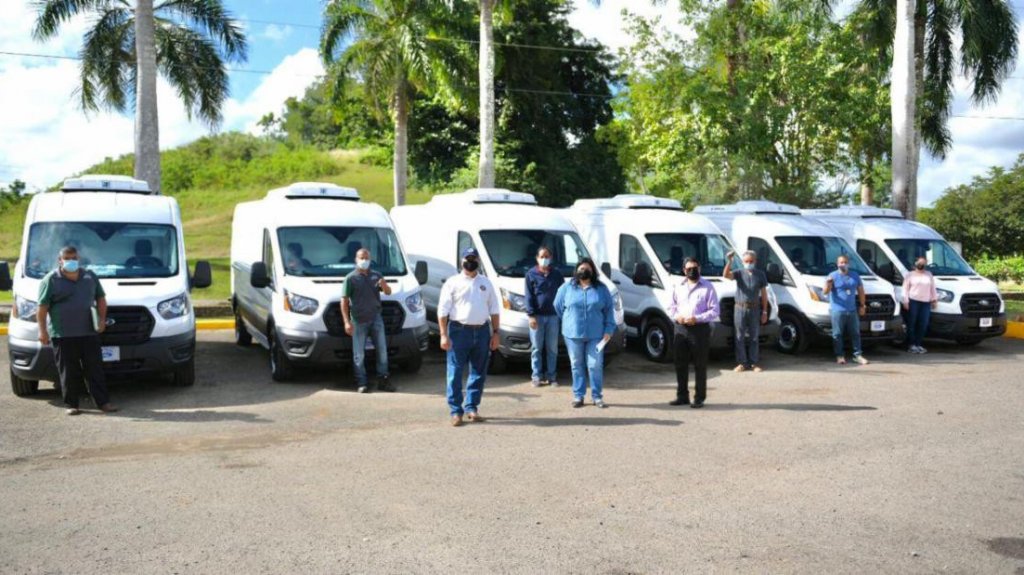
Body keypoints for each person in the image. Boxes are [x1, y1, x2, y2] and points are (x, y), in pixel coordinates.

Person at [36, 246, 118, 415]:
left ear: (78, 258)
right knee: (68, 371)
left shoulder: (89, 276)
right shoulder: (50, 280)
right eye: (66, 258)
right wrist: (42, 331)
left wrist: (102, 320)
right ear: (60, 260)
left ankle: (103, 403)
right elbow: (42, 308)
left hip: (89, 333)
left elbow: (101, 299)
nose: (70, 261)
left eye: (73, 257)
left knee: (95, 370)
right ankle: (72, 404)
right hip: (63, 334)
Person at [438, 248, 501, 427]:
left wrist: (496, 333)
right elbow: (443, 311)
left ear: (478, 261)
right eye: (468, 258)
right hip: (459, 331)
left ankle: (472, 407)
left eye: (474, 258)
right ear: (461, 261)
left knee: (479, 372)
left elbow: (494, 309)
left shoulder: (486, 283)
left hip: (481, 331)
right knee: (455, 372)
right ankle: (456, 411)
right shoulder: (452, 283)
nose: (470, 261)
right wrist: (443, 334)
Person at [553, 258, 616, 408]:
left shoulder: (601, 289)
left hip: (597, 335)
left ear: (593, 271)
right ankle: (578, 396)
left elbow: (609, 310)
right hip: (572, 334)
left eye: (587, 269)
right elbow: (557, 306)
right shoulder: (567, 287)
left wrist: (609, 329)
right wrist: (569, 321)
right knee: (576, 364)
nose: (583, 271)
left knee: (595, 365)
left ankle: (597, 396)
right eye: (581, 269)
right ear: (576, 271)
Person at [667, 258, 720, 408]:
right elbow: (671, 307)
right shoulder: (678, 286)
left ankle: (699, 397)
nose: (692, 271)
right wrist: (677, 317)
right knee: (680, 364)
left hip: (699, 330)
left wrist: (696, 319)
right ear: (684, 270)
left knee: (700, 365)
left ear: (699, 268)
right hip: (680, 329)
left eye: (695, 268)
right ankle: (682, 396)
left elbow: (715, 310)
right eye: (689, 268)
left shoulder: (708, 287)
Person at [342, 248, 394, 393]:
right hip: (358, 321)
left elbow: (388, 292)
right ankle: (362, 382)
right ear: (356, 260)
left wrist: (384, 286)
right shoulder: (350, 278)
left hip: (376, 319)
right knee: (359, 354)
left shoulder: (376, 275)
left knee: (382, 352)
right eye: (361, 258)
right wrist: (346, 322)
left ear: (370, 259)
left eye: (366, 258)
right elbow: (344, 301)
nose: (364, 261)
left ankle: (383, 380)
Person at [524, 246, 564, 387]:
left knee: (552, 348)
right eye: (542, 256)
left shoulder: (557, 274)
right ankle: (536, 376)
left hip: (553, 317)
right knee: (536, 348)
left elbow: (562, 294)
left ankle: (551, 376)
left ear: (551, 258)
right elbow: (528, 296)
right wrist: (531, 315)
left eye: (547, 256)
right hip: (537, 317)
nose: (544, 259)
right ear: (537, 258)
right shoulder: (531, 274)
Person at [724, 250, 769, 372]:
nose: (749, 263)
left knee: (754, 336)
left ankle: (753, 363)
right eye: (746, 261)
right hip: (740, 308)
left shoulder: (760, 274)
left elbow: (764, 294)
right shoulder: (739, 273)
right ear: (743, 262)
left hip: (754, 308)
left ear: (755, 261)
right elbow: (726, 275)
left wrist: (765, 311)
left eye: (751, 261)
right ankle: (742, 363)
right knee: (739, 336)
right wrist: (730, 261)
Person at [823, 254, 869, 365]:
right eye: (841, 262)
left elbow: (861, 291)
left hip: (852, 310)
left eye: (845, 262)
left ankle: (857, 356)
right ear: (837, 264)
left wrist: (863, 305)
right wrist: (829, 284)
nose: (843, 264)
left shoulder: (855, 276)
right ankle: (840, 356)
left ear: (848, 263)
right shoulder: (832, 276)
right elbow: (825, 292)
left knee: (855, 333)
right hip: (838, 310)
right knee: (837, 334)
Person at [902, 256, 938, 354]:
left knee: (924, 324)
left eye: (924, 263)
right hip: (913, 301)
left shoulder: (929, 274)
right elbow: (905, 289)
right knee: (912, 323)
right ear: (916, 263)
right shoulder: (910, 275)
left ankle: (918, 344)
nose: (922, 264)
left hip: (926, 302)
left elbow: (933, 288)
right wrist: (905, 301)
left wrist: (934, 299)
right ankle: (911, 344)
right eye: (920, 262)